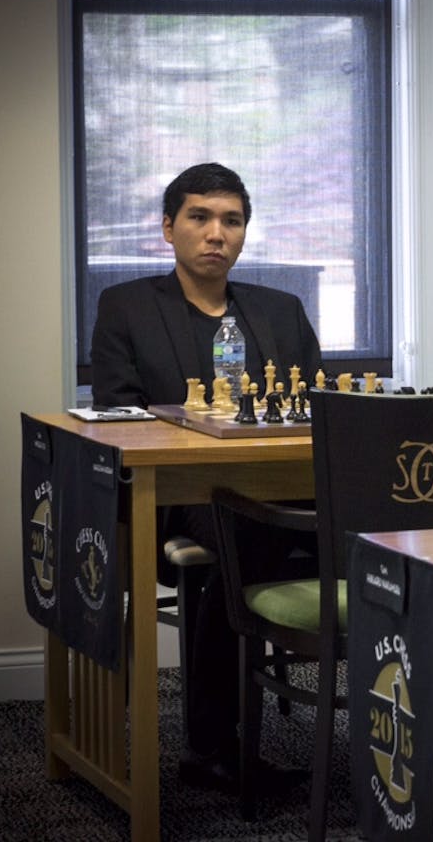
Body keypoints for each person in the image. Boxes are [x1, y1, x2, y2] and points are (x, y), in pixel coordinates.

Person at [91, 162, 322, 794]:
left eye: (232, 220)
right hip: (179, 491)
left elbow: (312, 409)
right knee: (245, 544)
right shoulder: (129, 307)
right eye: (199, 218)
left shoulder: (280, 310)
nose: (216, 233)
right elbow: (118, 414)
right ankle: (212, 747)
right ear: (169, 228)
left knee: (386, 533)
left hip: (283, 486)